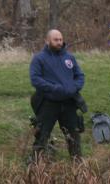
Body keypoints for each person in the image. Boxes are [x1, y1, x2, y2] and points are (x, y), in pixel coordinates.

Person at [29, 29, 86, 159]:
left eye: (60, 39)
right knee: (41, 136)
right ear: (47, 41)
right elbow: (35, 79)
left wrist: (74, 88)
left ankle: (78, 167)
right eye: (56, 40)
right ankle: (35, 168)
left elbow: (80, 75)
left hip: (69, 103)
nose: (59, 42)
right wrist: (54, 88)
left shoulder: (69, 57)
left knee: (73, 136)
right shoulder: (39, 59)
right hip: (49, 103)